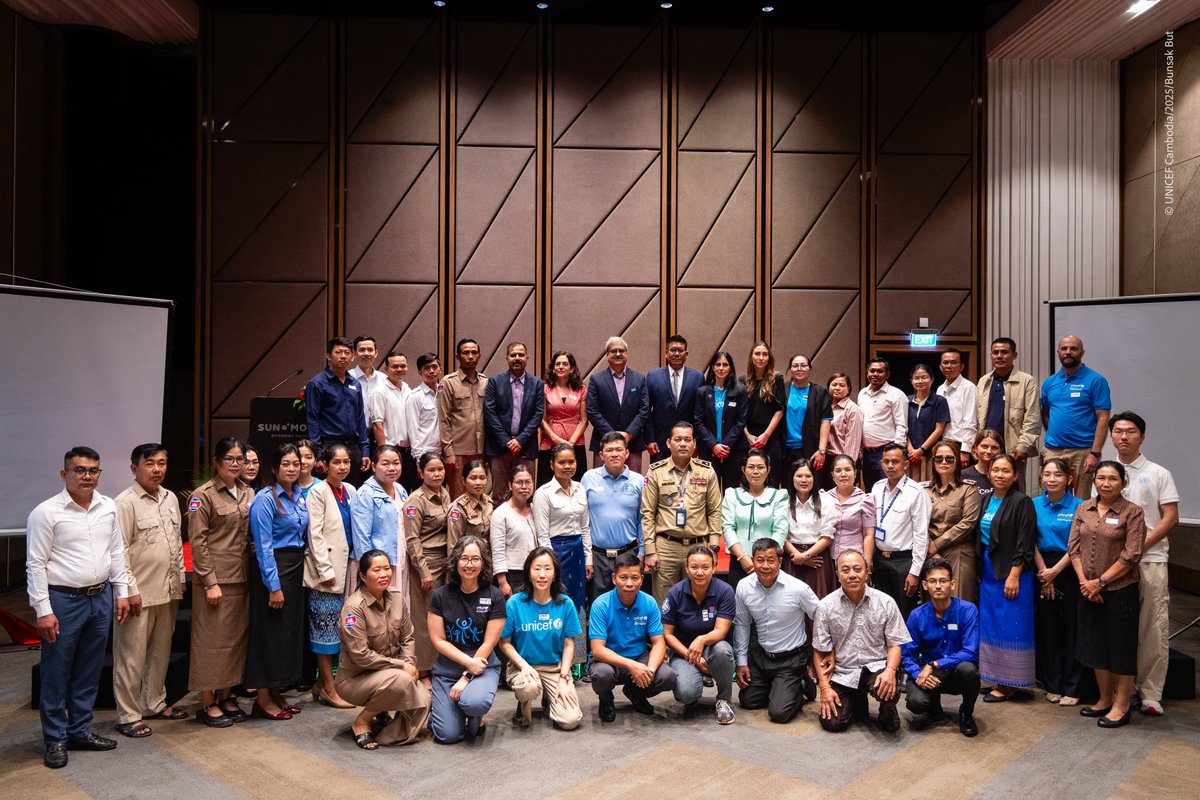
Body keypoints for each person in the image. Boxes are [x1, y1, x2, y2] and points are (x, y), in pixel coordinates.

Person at [28, 446, 132, 768]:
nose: (87, 476)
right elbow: (35, 565)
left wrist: (122, 592)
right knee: (56, 672)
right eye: (80, 470)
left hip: (100, 598)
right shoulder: (46, 513)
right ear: (64, 474)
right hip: (63, 601)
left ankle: (79, 731)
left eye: (93, 470)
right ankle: (55, 739)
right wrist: (43, 610)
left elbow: (116, 551)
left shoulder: (108, 506)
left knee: (89, 670)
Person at [1108, 411, 1180, 717]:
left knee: (1152, 626)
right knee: (1118, 628)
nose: (1124, 436)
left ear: (1142, 436)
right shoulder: (1105, 473)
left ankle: (1150, 693)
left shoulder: (1158, 473)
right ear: (1111, 436)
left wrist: (1139, 547)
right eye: (1118, 431)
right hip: (1113, 565)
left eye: (1131, 431)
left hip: (1150, 560)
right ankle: (1119, 691)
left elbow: (1170, 517)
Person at [112, 443, 185, 738]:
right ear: (134, 468)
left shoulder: (170, 498)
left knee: (160, 651)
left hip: (168, 589)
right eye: (150, 463)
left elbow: (176, 542)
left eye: (162, 463)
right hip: (138, 594)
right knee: (131, 657)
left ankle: (154, 703)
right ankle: (128, 715)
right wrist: (129, 589)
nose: (157, 469)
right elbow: (119, 551)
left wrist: (180, 576)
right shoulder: (125, 502)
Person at [1068, 461, 1147, 728]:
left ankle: (1121, 705)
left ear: (1123, 483)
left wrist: (1100, 582)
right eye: (1101, 477)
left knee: (1121, 648)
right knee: (1095, 645)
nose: (1106, 483)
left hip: (1119, 590)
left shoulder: (1132, 512)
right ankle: (1104, 699)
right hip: (1087, 589)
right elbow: (1073, 548)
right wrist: (1086, 583)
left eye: (1112, 478)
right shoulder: (1083, 508)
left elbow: (1132, 554)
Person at [335, 550, 432, 749]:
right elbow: (361, 655)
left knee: (424, 700)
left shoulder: (396, 597)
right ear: (363, 576)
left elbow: (408, 638)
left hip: (391, 674)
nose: (384, 574)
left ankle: (387, 729)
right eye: (376, 570)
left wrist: (409, 666)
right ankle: (362, 722)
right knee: (402, 680)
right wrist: (401, 666)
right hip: (355, 680)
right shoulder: (354, 608)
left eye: (387, 568)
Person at [187, 437, 253, 728]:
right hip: (215, 581)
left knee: (234, 642)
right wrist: (209, 581)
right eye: (230, 458)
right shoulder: (203, 496)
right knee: (210, 643)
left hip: (242, 578)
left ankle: (226, 696)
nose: (236, 464)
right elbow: (198, 543)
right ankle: (206, 701)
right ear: (216, 461)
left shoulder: (248, 492)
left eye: (240, 459)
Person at [813, 550, 911, 732]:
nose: (852, 575)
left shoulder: (886, 602)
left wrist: (890, 670)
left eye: (857, 569)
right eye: (845, 570)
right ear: (837, 574)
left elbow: (895, 643)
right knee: (832, 722)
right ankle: (858, 701)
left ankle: (887, 711)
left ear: (867, 572)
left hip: (877, 667)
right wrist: (825, 688)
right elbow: (819, 649)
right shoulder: (825, 606)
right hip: (844, 670)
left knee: (889, 693)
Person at [246, 444, 309, 720]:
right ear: (274, 468)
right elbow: (263, 546)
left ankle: (275, 692)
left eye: (296, 464)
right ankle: (261, 699)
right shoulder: (265, 499)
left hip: (294, 568)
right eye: (286, 464)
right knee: (269, 634)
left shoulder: (298, 495)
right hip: (274, 569)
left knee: (285, 633)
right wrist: (273, 586)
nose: (292, 469)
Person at [427, 535, 506, 742]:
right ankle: (444, 712)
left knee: (474, 704)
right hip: (448, 668)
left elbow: (489, 642)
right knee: (447, 735)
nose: (469, 565)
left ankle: (472, 715)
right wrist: (466, 662)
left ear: (483, 562)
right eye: (464, 558)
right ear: (455, 561)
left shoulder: (495, 596)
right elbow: (438, 640)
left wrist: (467, 675)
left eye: (475, 559)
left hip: (482, 665)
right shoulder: (440, 595)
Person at [733, 539, 820, 723]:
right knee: (748, 701)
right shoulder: (744, 586)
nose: (765, 566)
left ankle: (799, 684)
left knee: (779, 713)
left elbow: (820, 616)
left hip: (791, 658)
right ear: (753, 560)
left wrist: (820, 653)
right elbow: (742, 624)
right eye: (760, 560)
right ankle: (781, 687)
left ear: (780, 562)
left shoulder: (798, 588)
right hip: (762, 656)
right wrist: (741, 662)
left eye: (771, 560)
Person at [499, 547, 584, 729]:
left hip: (555, 668)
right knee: (528, 688)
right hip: (524, 667)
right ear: (528, 573)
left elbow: (569, 644)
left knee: (570, 721)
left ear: (555, 574)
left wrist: (564, 678)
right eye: (537, 568)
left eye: (547, 568)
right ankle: (523, 706)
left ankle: (549, 701)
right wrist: (523, 665)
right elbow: (504, 643)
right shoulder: (514, 603)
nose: (542, 574)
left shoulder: (565, 603)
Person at [588, 551, 677, 721]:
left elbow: (659, 643)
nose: (629, 583)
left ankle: (635, 693)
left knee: (668, 677)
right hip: (610, 661)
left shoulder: (649, 602)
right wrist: (631, 665)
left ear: (642, 579)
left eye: (635, 578)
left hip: (639, 657)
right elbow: (597, 650)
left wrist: (650, 670)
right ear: (614, 578)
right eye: (623, 577)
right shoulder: (601, 604)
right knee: (601, 675)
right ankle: (606, 699)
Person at [642, 422, 722, 605]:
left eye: (687, 439)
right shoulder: (656, 471)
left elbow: (714, 511)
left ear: (694, 443)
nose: (683, 444)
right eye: (678, 439)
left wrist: (714, 546)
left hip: (698, 546)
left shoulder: (706, 471)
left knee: (697, 602)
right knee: (664, 603)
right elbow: (647, 513)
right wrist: (650, 550)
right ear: (668, 443)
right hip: (666, 547)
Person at [977, 454, 1037, 702]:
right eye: (996, 470)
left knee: (1011, 626)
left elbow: (1025, 541)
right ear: (989, 473)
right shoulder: (987, 499)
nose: (1000, 475)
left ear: (1015, 475)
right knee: (992, 624)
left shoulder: (1022, 502)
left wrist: (1015, 573)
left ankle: (1010, 683)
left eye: (1005, 471)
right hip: (989, 570)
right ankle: (996, 678)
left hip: (1013, 572)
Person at [302, 443, 357, 710]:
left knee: (340, 629)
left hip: (347, 569)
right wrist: (324, 570)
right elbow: (315, 534)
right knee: (324, 633)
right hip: (326, 572)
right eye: (336, 462)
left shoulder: (351, 490)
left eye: (346, 462)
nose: (342, 467)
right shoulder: (318, 491)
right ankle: (329, 688)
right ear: (325, 465)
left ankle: (320, 684)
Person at [902, 558, 980, 737]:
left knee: (969, 670)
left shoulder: (968, 610)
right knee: (916, 703)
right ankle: (933, 704)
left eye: (943, 581)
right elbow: (907, 655)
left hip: (955, 672)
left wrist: (935, 664)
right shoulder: (916, 616)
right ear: (925, 585)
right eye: (932, 581)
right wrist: (918, 674)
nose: (938, 586)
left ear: (952, 584)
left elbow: (970, 651)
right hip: (930, 674)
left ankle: (966, 713)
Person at [533, 443, 592, 678]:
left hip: (577, 553)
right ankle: (555, 660)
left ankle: (578, 663)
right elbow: (542, 533)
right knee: (557, 603)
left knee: (577, 604)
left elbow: (585, 528)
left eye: (571, 462)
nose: (567, 466)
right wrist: (550, 565)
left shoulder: (580, 489)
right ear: (552, 465)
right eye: (562, 462)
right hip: (556, 552)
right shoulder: (543, 493)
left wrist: (588, 558)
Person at [662, 545, 737, 723]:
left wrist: (701, 639)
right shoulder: (675, 593)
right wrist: (692, 656)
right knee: (686, 694)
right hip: (683, 652)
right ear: (687, 568)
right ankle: (693, 690)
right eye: (694, 567)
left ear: (714, 568)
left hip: (713, 647)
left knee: (723, 650)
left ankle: (724, 700)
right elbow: (668, 635)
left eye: (705, 567)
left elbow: (721, 630)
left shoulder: (724, 591)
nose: (700, 572)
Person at [1032, 457, 1085, 707]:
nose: (1052, 479)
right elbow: (1030, 540)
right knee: (1048, 628)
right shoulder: (1033, 504)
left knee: (1073, 627)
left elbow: (1077, 543)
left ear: (1069, 479)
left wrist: (1055, 571)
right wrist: (1045, 573)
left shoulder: (1080, 506)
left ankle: (1073, 687)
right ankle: (1052, 684)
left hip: (1071, 567)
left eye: (1058, 475)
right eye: (1047, 474)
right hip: (1041, 567)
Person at [1041, 335, 1111, 498]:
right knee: (1054, 497)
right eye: (1064, 348)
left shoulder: (1096, 380)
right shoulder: (1049, 382)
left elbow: (1103, 418)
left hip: (1082, 451)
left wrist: (1095, 453)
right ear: (1058, 352)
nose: (1068, 352)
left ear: (1082, 352)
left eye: (1073, 348)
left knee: (1081, 501)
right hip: (1053, 450)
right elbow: (1045, 413)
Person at [404, 452, 453, 679]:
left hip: (446, 563)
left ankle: (441, 665)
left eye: (440, 469)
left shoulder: (445, 494)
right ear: (420, 472)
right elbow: (412, 540)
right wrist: (423, 571)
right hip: (427, 565)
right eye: (431, 470)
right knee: (425, 619)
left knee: (443, 616)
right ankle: (423, 669)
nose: (437, 474)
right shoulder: (416, 501)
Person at [870, 443, 930, 620]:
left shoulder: (916, 492)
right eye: (886, 461)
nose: (890, 466)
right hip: (880, 560)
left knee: (905, 613)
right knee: (882, 613)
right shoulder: (877, 487)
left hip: (904, 562)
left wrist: (915, 571)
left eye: (895, 462)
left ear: (905, 464)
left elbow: (921, 535)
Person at [581, 432, 645, 596]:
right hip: (597, 556)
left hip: (628, 554)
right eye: (609, 450)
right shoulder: (589, 478)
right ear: (601, 455)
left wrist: (642, 552)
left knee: (628, 600)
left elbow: (643, 520)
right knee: (597, 603)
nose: (614, 454)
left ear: (627, 453)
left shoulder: (639, 481)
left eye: (619, 449)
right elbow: (582, 519)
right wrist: (587, 557)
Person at [304, 337, 371, 483]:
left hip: (353, 447)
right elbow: (312, 419)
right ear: (329, 356)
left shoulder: (355, 384)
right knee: (329, 490)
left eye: (347, 353)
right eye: (338, 352)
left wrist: (365, 450)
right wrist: (317, 454)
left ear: (352, 357)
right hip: (329, 445)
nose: (343, 356)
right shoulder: (317, 383)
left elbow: (360, 417)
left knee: (352, 489)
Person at [484, 342, 545, 501]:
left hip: (526, 447)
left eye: (520, 355)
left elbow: (538, 414)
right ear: (507, 358)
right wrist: (506, 441)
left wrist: (520, 440)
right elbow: (490, 412)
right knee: (499, 494)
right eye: (513, 355)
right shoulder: (495, 381)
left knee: (526, 493)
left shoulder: (537, 384)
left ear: (527, 358)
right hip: (499, 447)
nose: (517, 358)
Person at [350, 445, 410, 605]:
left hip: (398, 561)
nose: (392, 468)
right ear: (373, 466)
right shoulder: (365, 494)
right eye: (385, 463)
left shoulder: (400, 489)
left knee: (395, 610)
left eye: (396, 463)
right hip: (377, 567)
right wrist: (370, 570)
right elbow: (361, 537)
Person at [926, 440, 982, 604]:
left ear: (957, 461)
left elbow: (968, 523)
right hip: (929, 552)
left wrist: (937, 545)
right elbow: (917, 523)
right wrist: (930, 548)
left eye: (949, 458)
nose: (944, 462)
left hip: (959, 551)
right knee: (933, 604)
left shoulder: (968, 489)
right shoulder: (924, 490)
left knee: (958, 602)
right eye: (939, 458)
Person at [975, 337, 1041, 478]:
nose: (999, 356)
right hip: (987, 449)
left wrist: (1023, 446)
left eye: (1004, 352)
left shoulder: (1026, 381)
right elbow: (977, 417)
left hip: (1013, 450)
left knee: (1014, 488)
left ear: (1014, 355)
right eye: (995, 352)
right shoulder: (984, 381)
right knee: (985, 487)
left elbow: (1033, 418)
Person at [722, 449, 788, 587]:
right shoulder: (732, 495)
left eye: (760, 467)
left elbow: (780, 530)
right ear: (743, 469)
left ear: (768, 470)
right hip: (739, 561)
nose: (755, 471)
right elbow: (728, 528)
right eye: (751, 467)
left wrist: (766, 559)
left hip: (768, 563)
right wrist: (742, 557)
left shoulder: (779, 496)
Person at [587, 336, 649, 473]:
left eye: (621, 350)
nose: (618, 354)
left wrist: (628, 434)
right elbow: (592, 411)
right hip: (603, 442)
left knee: (632, 482)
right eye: (613, 351)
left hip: (632, 442)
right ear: (607, 354)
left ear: (627, 353)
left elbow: (644, 410)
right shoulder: (596, 379)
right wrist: (611, 434)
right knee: (601, 481)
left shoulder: (639, 378)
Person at [438, 338, 487, 498]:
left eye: (474, 353)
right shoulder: (447, 382)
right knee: (458, 495)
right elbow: (443, 419)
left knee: (479, 493)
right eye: (466, 353)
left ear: (479, 356)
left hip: (481, 449)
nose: (470, 356)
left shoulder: (485, 382)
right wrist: (449, 452)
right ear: (458, 356)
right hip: (458, 451)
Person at [694, 349, 748, 491]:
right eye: (718, 364)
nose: (721, 368)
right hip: (708, 451)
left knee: (732, 492)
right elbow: (698, 421)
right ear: (712, 367)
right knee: (709, 492)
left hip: (734, 451)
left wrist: (725, 445)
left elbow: (741, 421)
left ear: (730, 367)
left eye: (725, 365)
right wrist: (714, 445)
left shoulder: (740, 390)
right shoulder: (702, 392)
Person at [646, 334, 705, 464]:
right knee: (660, 475)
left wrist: (696, 441)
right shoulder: (653, 376)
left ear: (686, 353)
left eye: (680, 350)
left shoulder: (698, 377)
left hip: (687, 442)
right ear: (666, 353)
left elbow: (700, 413)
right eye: (673, 350)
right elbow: (646, 410)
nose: (677, 354)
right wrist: (650, 439)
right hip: (659, 442)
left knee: (687, 475)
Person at [783, 458, 837, 600]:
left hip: (818, 558)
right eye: (799, 476)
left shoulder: (825, 501)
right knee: (791, 604)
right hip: (792, 557)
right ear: (792, 478)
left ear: (814, 478)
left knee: (820, 604)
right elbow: (780, 534)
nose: (804, 480)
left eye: (808, 476)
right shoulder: (783, 501)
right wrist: (798, 556)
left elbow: (827, 537)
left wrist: (805, 556)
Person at [369, 351, 418, 492]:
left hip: (409, 452)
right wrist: (384, 453)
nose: (399, 369)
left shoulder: (407, 389)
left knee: (406, 491)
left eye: (403, 366)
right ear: (386, 368)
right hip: (391, 450)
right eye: (395, 366)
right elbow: (377, 425)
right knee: (390, 490)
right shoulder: (379, 391)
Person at [538, 350, 587, 486]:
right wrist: (557, 440)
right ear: (553, 368)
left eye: (565, 364)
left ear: (571, 369)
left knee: (576, 483)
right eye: (557, 364)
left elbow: (584, 420)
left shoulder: (581, 389)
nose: (561, 367)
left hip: (575, 443)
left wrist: (571, 442)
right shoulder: (545, 388)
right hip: (550, 442)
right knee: (547, 484)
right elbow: (542, 420)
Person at [781, 354, 833, 482]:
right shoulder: (782, 388)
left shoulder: (820, 392)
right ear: (790, 369)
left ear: (809, 368)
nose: (799, 368)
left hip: (810, 450)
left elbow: (825, 422)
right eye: (795, 366)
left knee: (810, 485)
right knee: (787, 486)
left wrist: (821, 450)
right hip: (784, 449)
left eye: (803, 365)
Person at [857, 357, 907, 489]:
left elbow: (902, 425)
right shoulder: (862, 393)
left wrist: (896, 453)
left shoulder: (896, 394)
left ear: (887, 374)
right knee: (871, 491)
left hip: (886, 451)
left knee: (890, 489)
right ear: (867, 372)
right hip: (866, 453)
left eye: (880, 371)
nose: (875, 374)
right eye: (872, 371)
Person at [742, 341, 787, 485]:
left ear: (769, 358)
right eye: (757, 354)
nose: (761, 358)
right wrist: (748, 435)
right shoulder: (742, 381)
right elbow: (739, 413)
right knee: (749, 481)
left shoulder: (777, 379)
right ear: (751, 357)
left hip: (770, 435)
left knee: (772, 480)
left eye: (765, 354)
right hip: (748, 436)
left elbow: (780, 409)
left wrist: (766, 435)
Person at [490, 465, 538, 597]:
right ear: (510, 485)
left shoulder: (536, 509)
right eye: (519, 482)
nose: (524, 486)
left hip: (535, 571)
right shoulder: (501, 513)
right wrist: (502, 581)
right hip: (512, 574)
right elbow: (497, 550)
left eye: (528, 482)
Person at [823, 453, 876, 563]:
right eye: (838, 471)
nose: (843, 474)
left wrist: (866, 563)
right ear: (832, 475)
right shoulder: (824, 497)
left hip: (854, 559)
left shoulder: (865, 500)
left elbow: (868, 535)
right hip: (827, 558)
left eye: (847, 470)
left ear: (855, 473)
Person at [905, 364, 950, 481]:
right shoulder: (906, 401)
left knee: (929, 485)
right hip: (909, 455)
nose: (920, 381)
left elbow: (939, 429)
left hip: (931, 454)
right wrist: (910, 449)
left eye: (924, 377)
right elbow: (902, 427)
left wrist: (921, 450)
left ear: (932, 379)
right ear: (911, 381)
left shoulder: (940, 401)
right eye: (916, 378)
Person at [937, 348, 977, 468]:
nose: (949, 366)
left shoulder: (969, 387)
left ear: (962, 367)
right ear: (940, 367)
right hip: (944, 445)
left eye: (953, 362)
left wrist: (965, 450)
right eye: (945, 362)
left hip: (961, 445)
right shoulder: (940, 389)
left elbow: (970, 420)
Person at [826, 372, 863, 490]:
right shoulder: (825, 406)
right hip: (826, 459)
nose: (837, 388)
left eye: (842, 385)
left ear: (848, 388)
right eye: (834, 384)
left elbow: (853, 442)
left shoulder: (852, 409)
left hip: (843, 459)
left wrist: (847, 466)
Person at [405, 352, 443, 465]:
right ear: (419, 372)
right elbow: (413, 430)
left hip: (444, 452)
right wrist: (419, 459)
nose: (431, 371)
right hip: (425, 454)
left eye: (434, 367)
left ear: (440, 369)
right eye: (426, 368)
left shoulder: (444, 392)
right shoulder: (415, 396)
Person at [447, 459, 492, 550]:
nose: (478, 483)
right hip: (467, 557)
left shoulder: (489, 503)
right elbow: (453, 545)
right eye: (473, 478)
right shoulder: (458, 508)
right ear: (463, 481)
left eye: (482, 478)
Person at [962, 428, 1001, 498]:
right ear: (975, 448)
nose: (989, 451)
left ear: (1000, 450)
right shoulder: (963, 475)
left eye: (994, 448)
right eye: (984, 447)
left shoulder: (1005, 476)